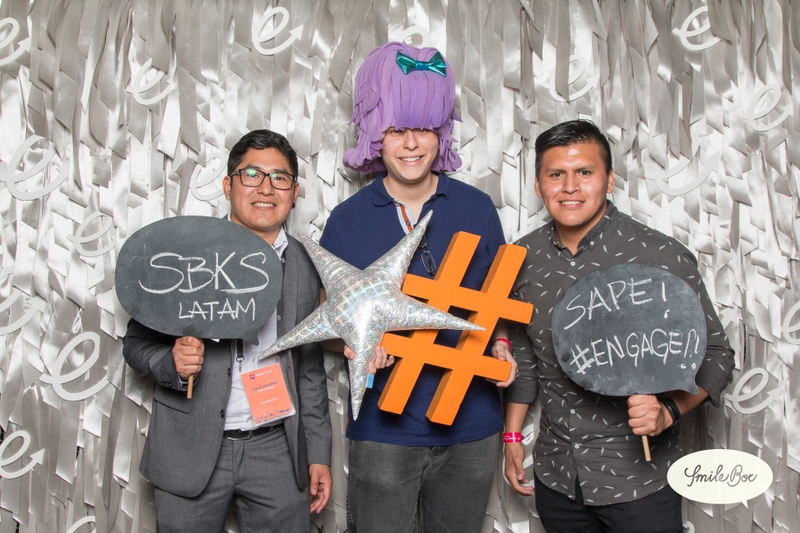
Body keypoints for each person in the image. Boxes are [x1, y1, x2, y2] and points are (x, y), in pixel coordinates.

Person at [319, 41, 516, 533]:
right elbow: (326, 319)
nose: (411, 144)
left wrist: (502, 346)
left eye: (424, 128)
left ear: (440, 132)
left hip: (472, 426)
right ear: (374, 134)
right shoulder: (346, 220)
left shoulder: (476, 208)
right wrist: (358, 341)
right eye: (395, 130)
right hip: (384, 430)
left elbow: (498, 300)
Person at [503, 120, 735, 533]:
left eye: (584, 172)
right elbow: (527, 359)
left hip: (639, 483)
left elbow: (717, 355)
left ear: (610, 180)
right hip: (558, 477)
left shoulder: (659, 256)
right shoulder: (520, 259)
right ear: (538, 185)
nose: (570, 187)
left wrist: (669, 412)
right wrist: (512, 438)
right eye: (556, 174)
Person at [123, 130, 332, 533]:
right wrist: (170, 362)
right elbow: (135, 343)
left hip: (277, 448)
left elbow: (309, 367)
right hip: (190, 446)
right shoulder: (185, 253)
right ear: (227, 185)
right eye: (251, 174)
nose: (266, 188)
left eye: (280, 177)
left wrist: (318, 452)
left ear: (295, 192)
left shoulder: (307, 264)